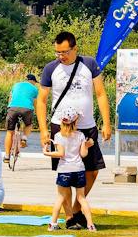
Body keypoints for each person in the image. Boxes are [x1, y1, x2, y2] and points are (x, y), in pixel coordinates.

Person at [36, 30, 112, 206]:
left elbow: (100, 94)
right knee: (65, 174)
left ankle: (78, 206)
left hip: (86, 126)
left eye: (65, 52)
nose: (61, 56)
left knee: (92, 171)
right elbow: (41, 100)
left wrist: (106, 123)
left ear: (75, 48)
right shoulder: (50, 68)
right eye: (58, 52)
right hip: (60, 127)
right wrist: (43, 130)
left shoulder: (90, 64)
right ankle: (71, 216)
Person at [48, 117, 91, 230]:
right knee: (81, 198)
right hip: (79, 169)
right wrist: (86, 146)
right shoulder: (80, 135)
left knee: (60, 197)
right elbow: (83, 154)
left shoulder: (58, 136)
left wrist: (47, 153)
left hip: (64, 170)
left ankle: (53, 224)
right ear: (75, 122)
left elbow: (60, 153)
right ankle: (90, 224)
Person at [3, 71, 37, 165]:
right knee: (29, 124)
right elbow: (35, 103)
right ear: (33, 81)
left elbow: (10, 98)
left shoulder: (16, 85)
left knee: (9, 132)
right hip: (27, 109)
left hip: (12, 108)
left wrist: (9, 108)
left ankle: (6, 156)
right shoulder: (34, 89)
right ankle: (24, 138)